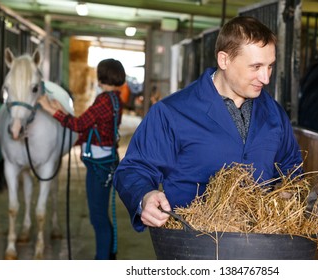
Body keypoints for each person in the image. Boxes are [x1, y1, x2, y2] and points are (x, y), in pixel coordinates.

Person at [114, 16, 303, 232]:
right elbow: (134, 169)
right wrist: (144, 196)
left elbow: (291, 165)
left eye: (269, 66)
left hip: (260, 247)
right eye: (256, 66)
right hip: (192, 245)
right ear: (224, 60)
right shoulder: (172, 112)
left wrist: (288, 192)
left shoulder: (274, 114)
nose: (266, 78)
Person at [38, 58, 125, 260]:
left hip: (99, 166)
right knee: (102, 214)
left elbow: (79, 125)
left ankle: (102, 260)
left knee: (98, 217)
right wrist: (57, 109)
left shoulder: (103, 100)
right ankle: (110, 254)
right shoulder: (115, 98)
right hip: (106, 160)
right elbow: (93, 126)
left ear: (102, 76)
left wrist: (51, 110)